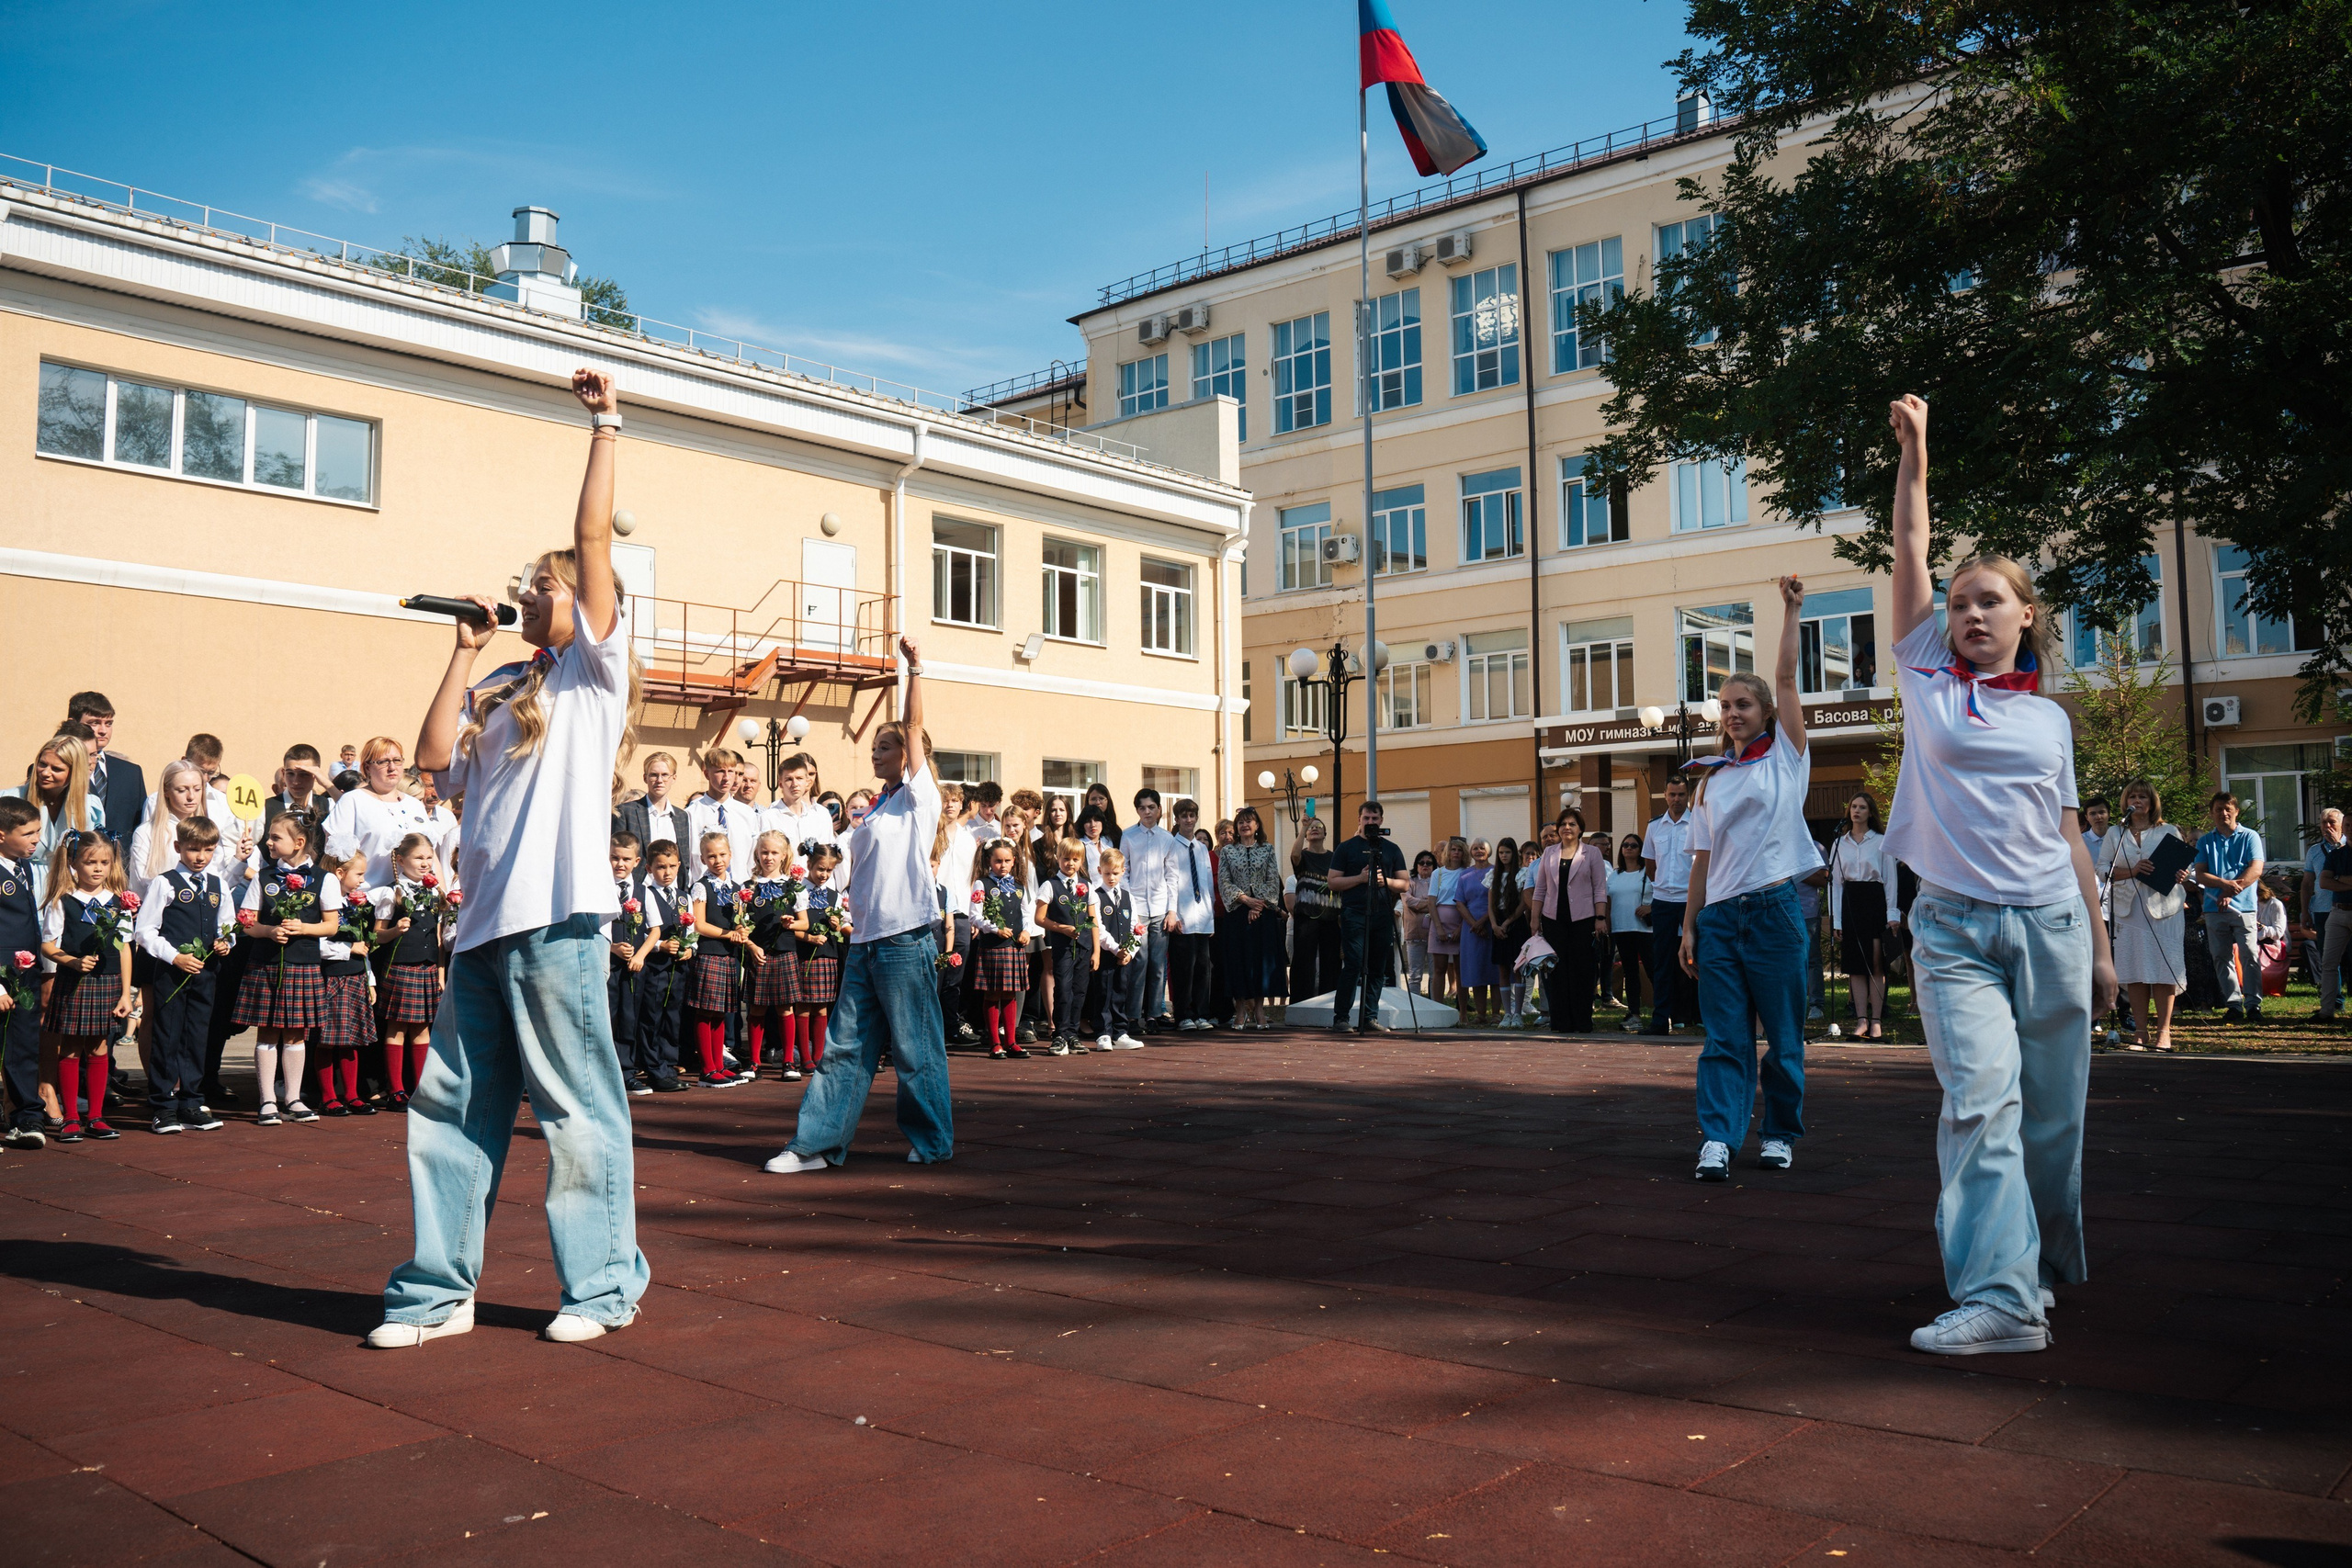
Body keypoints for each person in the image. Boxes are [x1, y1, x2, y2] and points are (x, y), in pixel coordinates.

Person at [371, 367, 650, 1350]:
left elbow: (589, 541)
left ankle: (603, 1287)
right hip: (483, 926)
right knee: (451, 1109)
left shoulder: (593, 674)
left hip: (559, 920)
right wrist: (462, 651)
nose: (531, 590)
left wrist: (605, 426)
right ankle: (438, 1293)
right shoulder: (504, 682)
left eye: (544, 583)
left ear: (584, 603)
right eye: (528, 582)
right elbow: (432, 761)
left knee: (576, 1114)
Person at [1882, 391, 2115, 1357]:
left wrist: (2101, 947)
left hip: (2053, 925)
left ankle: (2035, 1271)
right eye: (1959, 601)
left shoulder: (2050, 720)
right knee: (1982, 1105)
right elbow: (1908, 547)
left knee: (2053, 1122)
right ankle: (2002, 1299)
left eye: (1989, 600)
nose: (1971, 612)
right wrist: (1916, 454)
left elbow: (2069, 837)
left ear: (2026, 615)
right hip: (1953, 929)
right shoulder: (1927, 674)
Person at [764, 637, 954, 1172]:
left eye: (886, 746)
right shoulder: (873, 810)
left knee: (915, 1048)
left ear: (910, 756)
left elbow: (914, 725)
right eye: (874, 746)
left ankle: (933, 1141)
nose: (876, 753)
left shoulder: (919, 798)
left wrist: (914, 668)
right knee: (844, 1048)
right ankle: (816, 1145)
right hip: (865, 941)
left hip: (905, 938)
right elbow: (846, 872)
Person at [1682, 574, 1816, 1182]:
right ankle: (1718, 1137)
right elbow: (1701, 862)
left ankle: (1780, 1133)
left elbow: (1786, 676)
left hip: (1773, 912)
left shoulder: (1786, 757)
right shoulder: (1711, 778)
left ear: (1764, 712)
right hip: (1718, 922)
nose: (1733, 713)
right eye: (1725, 705)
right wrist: (1690, 926)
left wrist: (1791, 610)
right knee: (1724, 1039)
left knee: (1783, 1038)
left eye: (1743, 704)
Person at [133, 814, 233, 1134]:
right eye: (193, 849)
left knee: (197, 1036)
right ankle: (163, 1105)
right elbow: (145, 931)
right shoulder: (165, 883)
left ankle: (191, 1101)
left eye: (208, 850)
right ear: (178, 847)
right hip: (172, 973)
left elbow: (227, 926)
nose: (200, 857)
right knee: (167, 1035)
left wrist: (225, 942)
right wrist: (175, 957)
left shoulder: (218, 885)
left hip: (205, 974)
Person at [40, 829, 133, 1142]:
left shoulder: (119, 901)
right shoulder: (63, 901)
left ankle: (96, 1116)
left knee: (99, 1046)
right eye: (90, 862)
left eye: (104, 863)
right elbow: (48, 945)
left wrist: (126, 994)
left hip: (109, 982)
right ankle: (70, 1117)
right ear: (73, 864)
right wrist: (72, 962)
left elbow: (124, 948)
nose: (98, 869)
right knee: (69, 1047)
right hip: (74, 982)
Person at [2098, 781, 2187, 1051]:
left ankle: (2163, 1033)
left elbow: (2182, 867)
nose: (2137, 801)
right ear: (2125, 802)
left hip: (2165, 910)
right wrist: (2133, 871)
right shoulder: (2115, 832)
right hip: (2128, 910)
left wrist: (2181, 873)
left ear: (2152, 802)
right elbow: (2102, 869)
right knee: (2134, 970)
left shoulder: (2168, 830)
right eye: (2132, 797)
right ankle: (2140, 1033)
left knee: (2163, 971)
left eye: (2143, 797)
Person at [371, 833, 451, 1105]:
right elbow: (377, 935)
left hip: (427, 969)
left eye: (429, 857)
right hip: (401, 967)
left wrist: (440, 973)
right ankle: (396, 1090)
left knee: (422, 1030)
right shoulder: (391, 892)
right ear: (401, 860)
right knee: (397, 1029)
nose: (425, 863)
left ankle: (419, 1090)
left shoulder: (435, 892)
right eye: (419, 858)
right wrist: (395, 930)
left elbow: (438, 939)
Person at [1328, 800, 1408, 1032]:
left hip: (1382, 913)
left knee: (1377, 967)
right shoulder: (1346, 847)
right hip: (1354, 913)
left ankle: (1369, 1018)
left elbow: (1405, 883)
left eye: (1374, 818)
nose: (1370, 822)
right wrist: (1360, 879)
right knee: (1353, 964)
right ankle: (1341, 1018)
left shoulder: (1392, 849)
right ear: (1359, 820)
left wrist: (1386, 881)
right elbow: (1332, 881)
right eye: (1366, 818)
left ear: (1381, 820)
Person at [312, 851, 379, 1117]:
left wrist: (369, 980)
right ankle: (328, 1096)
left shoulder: (355, 905)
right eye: (359, 874)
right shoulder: (324, 905)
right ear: (340, 873)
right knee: (327, 1040)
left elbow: (364, 947)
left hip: (355, 977)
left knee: (352, 1039)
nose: (362, 880)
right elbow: (317, 944)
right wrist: (348, 949)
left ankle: (352, 1095)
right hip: (332, 978)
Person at [0, 798, 50, 1148]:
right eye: (28, 833)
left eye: (38, 831)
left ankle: (27, 1117)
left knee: (23, 1048)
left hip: (25, 976)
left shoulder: (24, 868)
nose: (36, 840)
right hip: (2, 978)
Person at [2191, 792, 2267, 1022]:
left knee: (2250, 955)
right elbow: (2200, 874)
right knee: (2221, 957)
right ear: (2212, 813)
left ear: (2236, 811)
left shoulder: (2250, 836)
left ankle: (2253, 1005)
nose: (2223, 813)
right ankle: (2234, 1005)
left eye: (2228, 809)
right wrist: (2223, 885)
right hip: (2214, 909)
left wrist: (2230, 891)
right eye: (2218, 809)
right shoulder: (2205, 841)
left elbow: (2256, 869)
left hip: (2244, 908)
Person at [685, 830, 752, 1087]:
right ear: (703, 859)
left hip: (728, 957)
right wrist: (729, 934)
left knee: (721, 1013)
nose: (718, 860)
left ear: (731, 855)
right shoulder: (701, 886)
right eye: (711, 856)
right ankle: (707, 1070)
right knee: (705, 1012)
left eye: (722, 854)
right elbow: (699, 925)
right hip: (709, 954)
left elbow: (740, 922)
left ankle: (719, 1065)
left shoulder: (737, 889)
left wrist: (743, 931)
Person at [1829, 793, 1897, 1040]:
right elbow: (1836, 885)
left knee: (1876, 964)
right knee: (1855, 966)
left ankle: (1876, 1020)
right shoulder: (1839, 843)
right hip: (1851, 903)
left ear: (1870, 812)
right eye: (1854, 807)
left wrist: (1892, 914)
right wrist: (1837, 919)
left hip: (1874, 901)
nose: (1857, 811)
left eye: (1862, 807)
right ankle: (1861, 1020)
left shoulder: (1881, 841)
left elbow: (1890, 880)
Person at [1533, 810, 1610, 1033]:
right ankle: (1561, 1022)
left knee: (1582, 970)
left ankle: (1582, 1021)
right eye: (1563, 824)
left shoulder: (1592, 853)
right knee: (1556, 971)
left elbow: (1600, 888)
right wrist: (1534, 919)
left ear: (1580, 829)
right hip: (1553, 919)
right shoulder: (1549, 853)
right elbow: (1540, 888)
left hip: (1583, 920)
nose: (1567, 827)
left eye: (1572, 824)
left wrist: (1600, 918)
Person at [324, 738, 430, 890]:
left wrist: (444, 896)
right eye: (383, 762)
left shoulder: (414, 804)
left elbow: (432, 857)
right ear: (367, 767)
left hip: (416, 896)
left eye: (397, 760)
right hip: (367, 895)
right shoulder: (353, 800)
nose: (392, 767)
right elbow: (335, 860)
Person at [1121, 789, 1184, 1032]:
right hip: (1137, 909)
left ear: (1159, 809)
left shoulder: (1167, 838)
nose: (1147, 812)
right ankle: (1132, 1016)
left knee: (1158, 965)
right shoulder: (1128, 836)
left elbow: (1172, 876)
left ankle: (1154, 1015)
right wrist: (1131, 909)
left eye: (1151, 807)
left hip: (1160, 909)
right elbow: (1124, 874)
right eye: (1142, 808)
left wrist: (1172, 911)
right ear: (1137, 810)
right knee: (1138, 962)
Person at [1219, 807, 1283, 1030]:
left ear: (1257, 825)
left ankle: (1259, 1009)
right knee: (1238, 961)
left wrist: (1258, 905)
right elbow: (1224, 881)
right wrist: (1246, 900)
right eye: (1241, 822)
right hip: (1237, 913)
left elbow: (1273, 881)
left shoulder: (1267, 849)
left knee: (1260, 962)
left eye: (1249, 821)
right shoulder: (1228, 851)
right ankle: (1240, 1009)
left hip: (1262, 914)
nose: (1244, 825)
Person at [1640, 775, 1695, 1034]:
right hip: (1662, 901)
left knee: (1698, 957)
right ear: (1665, 795)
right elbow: (1651, 867)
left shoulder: (1698, 824)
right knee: (1662, 961)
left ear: (1688, 795)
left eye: (1681, 794)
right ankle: (1661, 1020)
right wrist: (1663, 887)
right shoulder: (1654, 827)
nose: (1676, 799)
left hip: (1690, 900)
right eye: (1672, 794)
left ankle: (1701, 1016)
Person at [9, 731, 104, 882]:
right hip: (17, 884)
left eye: (56, 769)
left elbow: (96, 855)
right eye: (42, 764)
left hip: (68, 886)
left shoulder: (91, 807)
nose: (45, 773)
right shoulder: (9, 800)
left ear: (75, 772)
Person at [788, 844, 847, 1072]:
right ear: (809, 865)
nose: (824, 874)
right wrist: (808, 938)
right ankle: (805, 1056)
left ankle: (819, 1055)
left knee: (822, 1007)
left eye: (829, 870)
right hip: (804, 954)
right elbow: (788, 927)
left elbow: (840, 927)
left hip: (827, 955)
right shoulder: (798, 891)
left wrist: (836, 924)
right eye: (820, 869)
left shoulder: (834, 895)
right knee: (803, 1006)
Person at [1035, 839, 1095, 1054]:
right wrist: (1061, 928)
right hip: (1062, 947)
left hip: (1084, 946)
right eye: (1066, 858)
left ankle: (1073, 1033)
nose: (1070, 863)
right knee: (1063, 988)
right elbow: (1039, 918)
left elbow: (1093, 920)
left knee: (1079, 990)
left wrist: (1096, 951)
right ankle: (1059, 1034)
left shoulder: (1087, 886)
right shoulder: (1050, 885)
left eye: (1075, 859)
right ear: (1058, 858)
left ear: (1082, 861)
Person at [64, 692, 144, 850]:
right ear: (72, 723)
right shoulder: (55, 769)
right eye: (94, 723)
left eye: (108, 723)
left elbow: (139, 827)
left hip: (119, 861)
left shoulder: (131, 773)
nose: (103, 731)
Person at [1168, 799, 1219, 1031]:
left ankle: (1201, 1013)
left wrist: (1210, 917)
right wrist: (1174, 913)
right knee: (1183, 969)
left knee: (1202, 968)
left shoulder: (1201, 849)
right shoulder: (1171, 845)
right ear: (1177, 819)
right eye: (1184, 816)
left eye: (1192, 816)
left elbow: (1206, 883)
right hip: (1182, 916)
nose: (1188, 820)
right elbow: (1171, 881)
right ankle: (1183, 1015)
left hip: (1202, 916)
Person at [1090, 848, 1146, 1048]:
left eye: (1115, 873)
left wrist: (1130, 951)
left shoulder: (1128, 897)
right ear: (1099, 871)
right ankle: (1103, 1033)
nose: (1111, 878)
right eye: (1107, 873)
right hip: (1107, 954)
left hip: (1124, 956)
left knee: (1121, 991)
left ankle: (1120, 1032)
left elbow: (1136, 927)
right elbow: (1099, 928)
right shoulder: (1096, 896)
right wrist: (1116, 949)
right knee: (1103, 992)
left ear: (1123, 871)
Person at [1286, 818, 1341, 1003]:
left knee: (1331, 962)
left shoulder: (1334, 858)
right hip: (1306, 917)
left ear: (1325, 834)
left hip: (1331, 917)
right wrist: (1303, 827)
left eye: (1319, 826)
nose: (1315, 829)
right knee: (1303, 963)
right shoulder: (1302, 855)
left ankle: (1329, 1003)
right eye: (1311, 827)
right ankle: (1300, 1004)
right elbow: (1294, 855)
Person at [1607, 834, 1652, 1032]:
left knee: (1653, 971)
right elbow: (1608, 902)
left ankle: (1664, 1013)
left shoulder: (1648, 872)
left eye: (1634, 845)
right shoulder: (1615, 875)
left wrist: (1650, 908)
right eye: (1625, 845)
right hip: (1621, 929)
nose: (1629, 848)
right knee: (1630, 973)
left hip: (1644, 929)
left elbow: (1662, 895)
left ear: (1641, 850)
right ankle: (1634, 1014)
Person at [2301, 807, 2345, 1009]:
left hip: (2347, 908)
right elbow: (2307, 883)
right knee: (2329, 958)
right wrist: (2305, 911)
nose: (2327, 826)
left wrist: (2338, 846)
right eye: (2323, 823)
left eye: (2332, 822)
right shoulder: (2314, 851)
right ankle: (2334, 1001)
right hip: (2322, 910)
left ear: (2342, 825)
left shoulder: (2348, 848)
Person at [1452, 839, 1497, 1026]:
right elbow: (1459, 902)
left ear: (1489, 851)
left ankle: (1496, 1014)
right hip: (1471, 930)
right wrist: (1474, 925)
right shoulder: (1465, 875)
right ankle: (1481, 1014)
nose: (1479, 851)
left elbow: (1499, 900)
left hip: (1493, 924)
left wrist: (1483, 922)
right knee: (1476, 970)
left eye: (1482, 848)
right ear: (1470, 852)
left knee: (1494, 970)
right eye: (1475, 848)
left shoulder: (1496, 871)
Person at [1487, 837, 1532, 1027]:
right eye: (1501, 852)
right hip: (1498, 922)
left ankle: (1518, 1013)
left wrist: (1507, 922)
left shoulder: (1522, 874)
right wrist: (1494, 925)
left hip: (1515, 922)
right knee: (1503, 969)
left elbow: (1523, 904)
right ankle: (1507, 1013)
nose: (1504, 856)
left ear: (1514, 854)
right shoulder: (1493, 875)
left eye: (1507, 852)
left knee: (1518, 968)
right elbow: (1490, 905)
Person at [615, 751, 691, 853]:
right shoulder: (627, 812)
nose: (659, 780)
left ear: (674, 778)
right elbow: (617, 852)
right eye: (654, 775)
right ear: (645, 778)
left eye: (665, 775)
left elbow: (683, 857)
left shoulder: (681, 816)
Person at [2316, 816, 2352, 1021]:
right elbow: (2324, 882)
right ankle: (2326, 1011)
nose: (2350, 828)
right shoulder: (2336, 855)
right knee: (2328, 963)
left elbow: (2331, 880)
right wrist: (2341, 880)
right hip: (2337, 912)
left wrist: (2338, 878)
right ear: (2343, 829)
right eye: (2347, 825)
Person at [1428, 838, 1465, 1006]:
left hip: (1460, 923)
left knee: (1460, 970)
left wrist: (1461, 928)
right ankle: (1437, 1008)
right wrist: (1438, 928)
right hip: (1439, 924)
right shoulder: (1438, 873)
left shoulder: (1467, 873)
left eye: (1459, 850)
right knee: (1439, 969)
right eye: (1453, 849)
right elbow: (1431, 902)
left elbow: (1469, 903)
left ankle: (1462, 1011)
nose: (1456, 853)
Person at [1403, 851, 1438, 997]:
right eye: (1421, 862)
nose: (1425, 865)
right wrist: (1431, 904)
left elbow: (1442, 902)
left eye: (1429, 863)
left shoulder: (1438, 882)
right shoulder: (1409, 882)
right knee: (1415, 976)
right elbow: (1409, 902)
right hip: (1414, 934)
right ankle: (1415, 1005)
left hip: (1435, 935)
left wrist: (1421, 904)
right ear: (1416, 865)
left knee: (1435, 974)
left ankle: (1434, 1004)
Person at [1081, 783, 1124, 847]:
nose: (1097, 802)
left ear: (1108, 801)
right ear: (1088, 801)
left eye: (1101, 798)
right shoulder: (1079, 828)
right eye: (1093, 799)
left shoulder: (1115, 831)